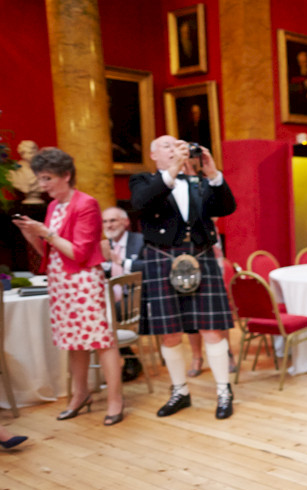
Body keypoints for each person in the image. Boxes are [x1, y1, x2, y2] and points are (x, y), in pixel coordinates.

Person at [13, 147, 125, 426]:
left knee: (101, 342)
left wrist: (45, 232)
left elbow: (79, 253)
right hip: (60, 282)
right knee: (73, 343)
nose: (43, 185)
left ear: (66, 175)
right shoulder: (53, 207)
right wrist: (31, 235)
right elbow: (48, 251)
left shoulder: (86, 203)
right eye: (40, 179)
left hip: (84, 281)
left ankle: (115, 400)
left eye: (47, 178)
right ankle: (80, 394)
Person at [130, 135, 237, 419]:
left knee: (212, 329)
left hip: (200, 258)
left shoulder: (200, 184)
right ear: (154, 155)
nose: (175, 148)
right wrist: (173, 170)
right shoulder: (142, 181)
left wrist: (212, 172)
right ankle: (180, 391)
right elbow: (141, 203)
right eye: (166, 145)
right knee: (170, 333)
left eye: (178, 144)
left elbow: (227, 207)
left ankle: (224, 391)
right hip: (161, 261)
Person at [100, 206, 145, 382]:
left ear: (125, 222)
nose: (108, 225)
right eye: (105, 221)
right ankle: (128, 358)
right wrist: (103, 264)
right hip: (111, 300)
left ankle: (127, 361)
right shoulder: (104, 245)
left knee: (105, 315)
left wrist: (120, 261)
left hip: (137, 299)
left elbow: (149, 268)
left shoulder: (140, 241)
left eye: (113, 220)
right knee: (98, 314)